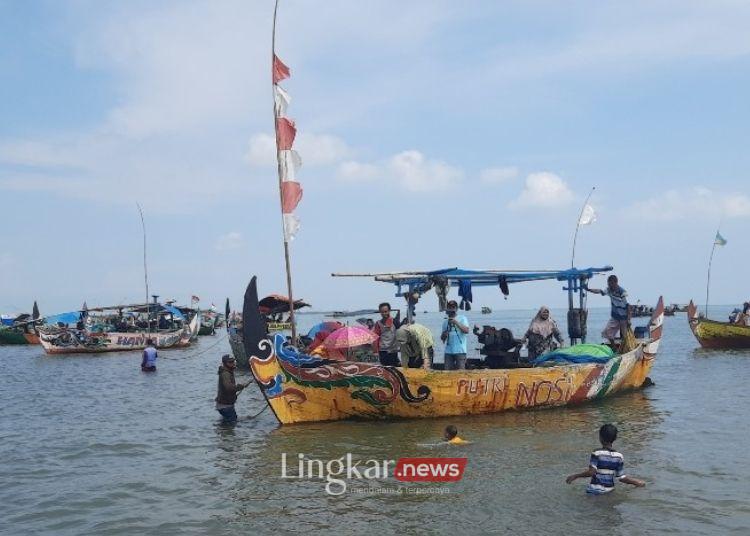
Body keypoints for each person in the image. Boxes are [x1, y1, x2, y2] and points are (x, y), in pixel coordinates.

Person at [565, 424, 646, 494]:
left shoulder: (596, 453)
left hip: (594, 491)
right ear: (615, 439)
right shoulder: (619, 456)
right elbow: (621, 477)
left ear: (600, 438)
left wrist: (575, 476)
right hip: (609, 491)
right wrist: (636, 482)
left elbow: (591, 472)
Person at [589, 275, 630, 345]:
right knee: (607, 332)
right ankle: (613, 347)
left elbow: (628, 306)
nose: (609, 286)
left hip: (623, 317)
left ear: (615, 282)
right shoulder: (609, 290)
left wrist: (628, 319)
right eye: (608, 284)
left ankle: (626, 348)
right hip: (615, 316)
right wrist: (589, 290)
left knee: (625, 335)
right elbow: (600, 291)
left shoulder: (622, 292)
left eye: (611, 284)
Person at [215, 354, 249, 423]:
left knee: (227, 423)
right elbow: (229, 387)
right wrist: (241, 386)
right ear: (225, 363)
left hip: (223, 405)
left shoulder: (228, 371)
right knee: (232, 423)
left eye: (233, 361)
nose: (233, 363)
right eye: (230, 362)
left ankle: (221, 431)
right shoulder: (225, 374)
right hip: (225, 406)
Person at [441, 300, 470, 370]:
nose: (451, 309)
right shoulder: (445, 322)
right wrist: (445, 333)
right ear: (447, 308)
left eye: (453, 307)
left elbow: (466, 331)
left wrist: (456, 322)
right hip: (448, 351)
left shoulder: (463, 318)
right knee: (447, 373)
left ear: (456, 308)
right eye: (450, 307)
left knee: (461, 373)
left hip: (460, 351)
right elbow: (443, 339)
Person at [372, 302, 400, 367]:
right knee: (384, 369)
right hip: (383, 351)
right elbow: (376, 338)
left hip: (393, 350)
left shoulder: (395, 321)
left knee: (394, 368)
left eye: (386, 311)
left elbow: (401, 335)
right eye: (382, 312)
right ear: (380, 312)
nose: (384, 313)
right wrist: (375, 351)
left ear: (389, 311)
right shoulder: (378, 323)